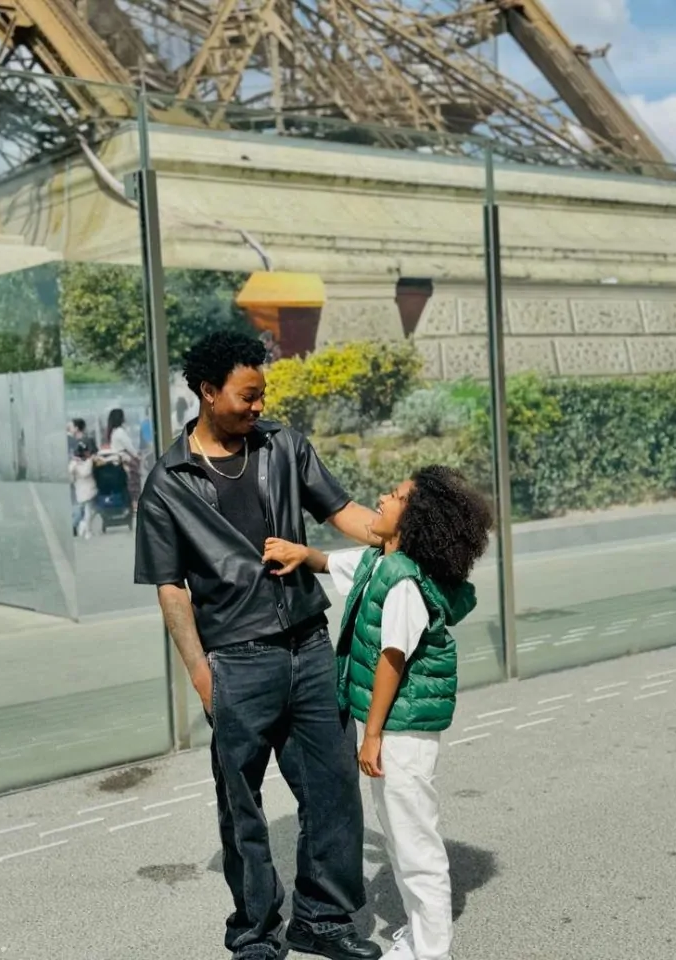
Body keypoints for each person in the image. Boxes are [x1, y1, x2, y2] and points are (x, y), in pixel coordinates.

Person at [135, 331, 382, 960]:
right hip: (236, 660)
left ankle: (321, 919)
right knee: (242, 806)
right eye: (247, 396)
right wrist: (200, 673)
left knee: (333, 790)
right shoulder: (168, 483)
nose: (258, 406)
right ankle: (253, 931)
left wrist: (393, 534)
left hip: (309, 646)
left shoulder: (283, 447)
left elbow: (343, 510)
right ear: (208, 391)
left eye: (261, 394)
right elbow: (171, 588)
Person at [263, 466, 493, 960]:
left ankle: (432, 950)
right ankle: (419, 934)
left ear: (414, 520)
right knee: (400, 839)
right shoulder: (380, 562)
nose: (383, 499)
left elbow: (392, 659)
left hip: (401, 732)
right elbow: (334, 563)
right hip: (392, 727)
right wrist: (302, 554)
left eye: (395, 496)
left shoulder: (404, 580)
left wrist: (371, 737)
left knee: (415, 845)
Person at [107, 408, 141, 511]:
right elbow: (129, 447)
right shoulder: (120, 432)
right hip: (126, 460)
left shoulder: (113, 432)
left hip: (118, 462)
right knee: (134, 484)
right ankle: (135, 506)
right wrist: (137, 456)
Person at [68, 441, 97, 538]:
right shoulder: (80, 463)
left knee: (88, 511)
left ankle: (84, 527)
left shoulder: (74, 463)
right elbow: (85, 473)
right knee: (89, 511)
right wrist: (90, 461)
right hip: (87, 490)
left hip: (84, 490)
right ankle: (86, 529)